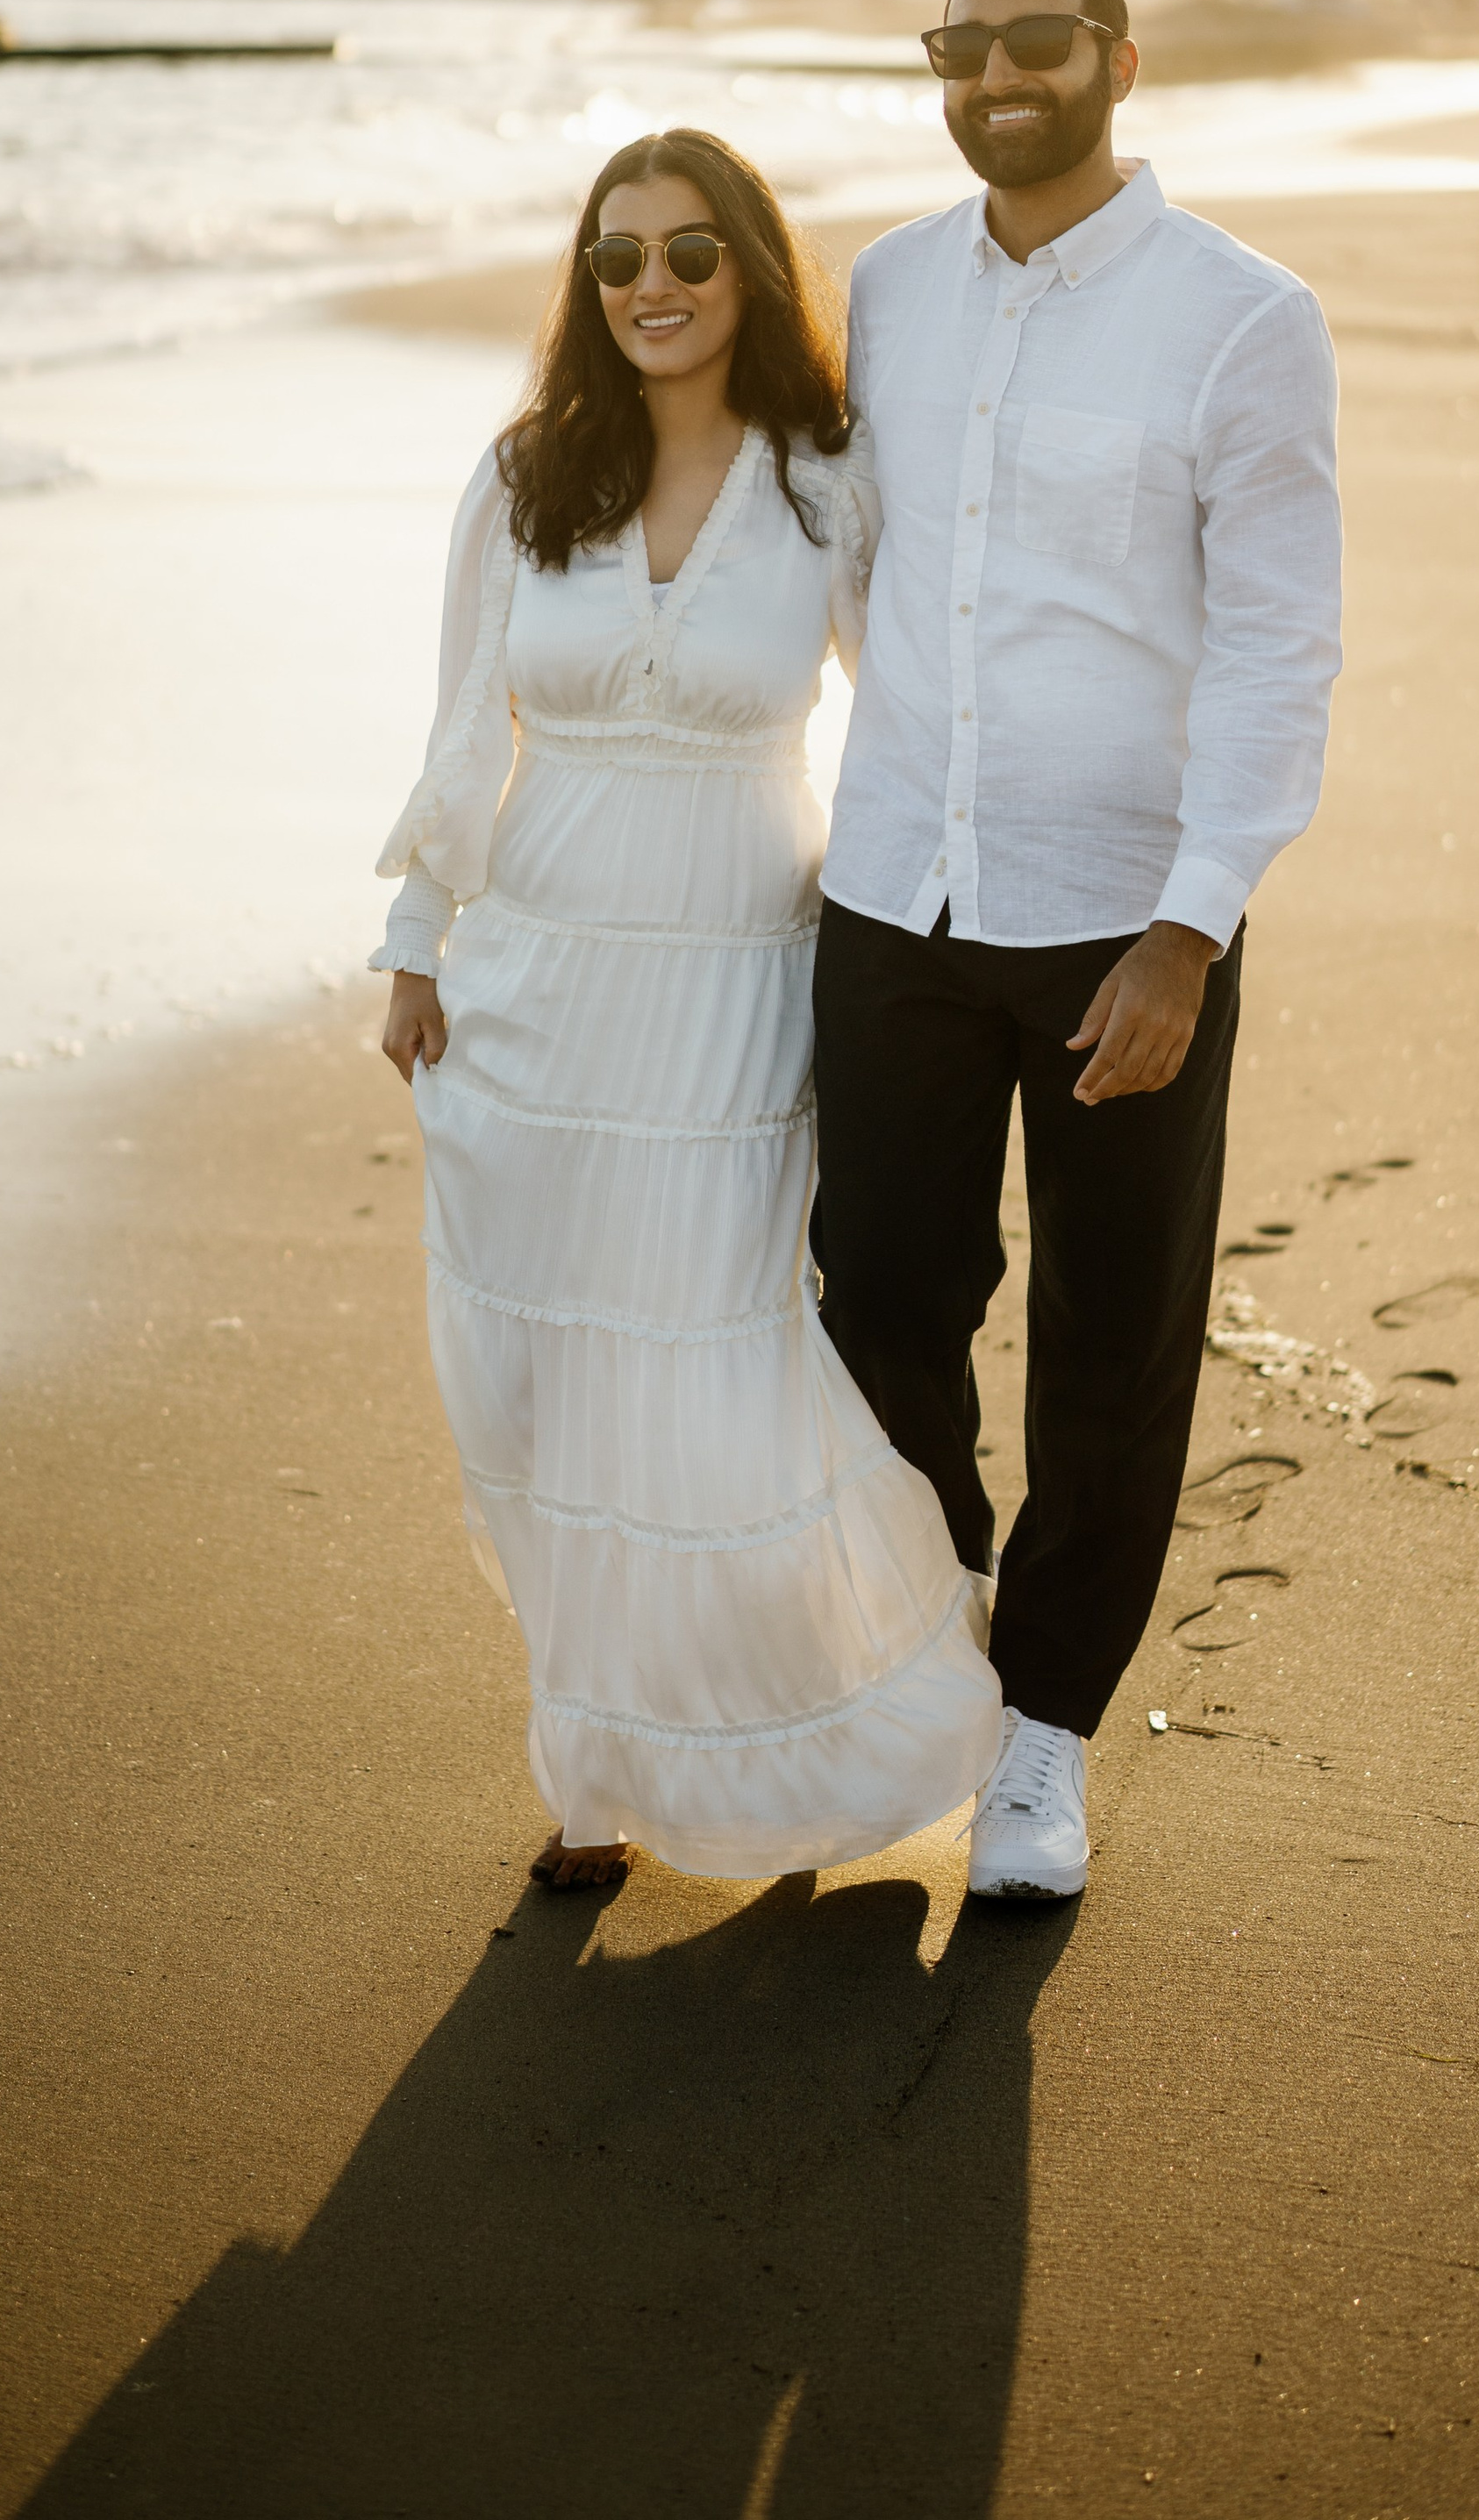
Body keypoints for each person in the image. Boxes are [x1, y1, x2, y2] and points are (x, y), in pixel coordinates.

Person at [372, 129, 1002, 1888]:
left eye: (688, 255)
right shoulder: (520, 479)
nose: (649, 286)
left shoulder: (828, 486)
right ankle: (588, 1766)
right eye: (615, 259)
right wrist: (418, 940)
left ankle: (792, 1748)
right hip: (530, 992)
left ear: (749, 272)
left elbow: (905, 722)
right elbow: (457, 731)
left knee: (714, 1375)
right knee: (535, 1390)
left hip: (733, 989)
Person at [811, 0, 1342, 1902]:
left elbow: (1281, 648)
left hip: (1124, 917)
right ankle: (936, 1625)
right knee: (874, 1298)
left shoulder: (1240, 317)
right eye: (957, 45)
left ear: (1116, 61)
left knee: (1110, 1348)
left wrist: (1189, 927)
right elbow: (849, 566)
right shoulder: (881, 288)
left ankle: (1039, 1739)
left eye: (1032, 40)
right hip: (889, 896)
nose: (992, 75)